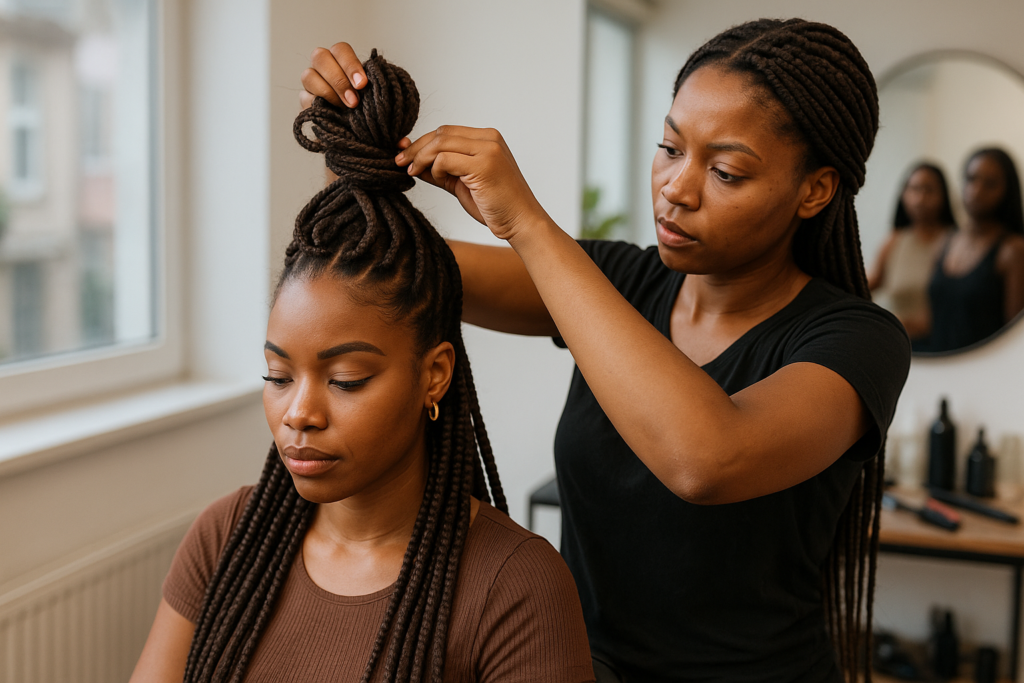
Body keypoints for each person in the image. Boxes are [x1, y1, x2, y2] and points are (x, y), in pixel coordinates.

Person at [302, 19, 911, 682]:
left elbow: (706, 460)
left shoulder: (858, 340)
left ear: (814, 190)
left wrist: (527, 223)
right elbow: (384, 268)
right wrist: (351, 140)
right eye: (669, 148)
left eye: (726, 171)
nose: (676, 187)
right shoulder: (615, 282)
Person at [130, 51, 594, 683]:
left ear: (434, 375)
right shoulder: (227, 535)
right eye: (277, 376)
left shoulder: (513, 586)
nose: (299, 414)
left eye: (346, 380)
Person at [927, 147, 1024, 352]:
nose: (977, 191)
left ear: (1007, 190)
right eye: (971, 179)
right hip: (939, 363)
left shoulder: (1012, 250)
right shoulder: (946, 240)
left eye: (990, 184)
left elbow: (1014, 337)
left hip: (984, 367)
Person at [868, 163, 956, 350]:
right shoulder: (894, 241)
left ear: (943, 196)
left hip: (942, 347)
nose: (920, 198)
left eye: (929, 190)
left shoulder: (956, 242)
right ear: (903, 194)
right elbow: (865, 284)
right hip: (893, 344)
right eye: (914, 189)